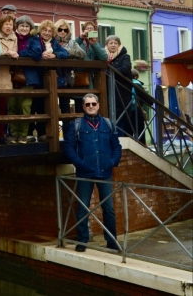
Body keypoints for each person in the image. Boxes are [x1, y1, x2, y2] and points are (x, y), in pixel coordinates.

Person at [62, 93, 122, 252]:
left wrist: (112, 162)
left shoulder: (108, 124)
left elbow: (116, 147)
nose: (91, 106)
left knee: (108, 208)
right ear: (83, 107)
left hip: (105, 172)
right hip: (85, 173)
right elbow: (68, 147)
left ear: (98, 105)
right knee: (83, 207)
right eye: (87, 104)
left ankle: (111, 240)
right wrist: (80, 163)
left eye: (93, 104)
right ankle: (82, 241)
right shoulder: (77, 125)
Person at [20, 19, 69, 142]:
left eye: (49, 31)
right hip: (35, 76)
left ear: (53, 33)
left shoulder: (54, 43)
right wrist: (40, 54)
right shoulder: (34, 39)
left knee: (44, 106)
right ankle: (30, 132)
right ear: (40, 31)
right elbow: (27, 52)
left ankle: (42, 133)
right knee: (33, 105)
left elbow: (66, 53)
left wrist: (55, 55)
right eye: (44, 30)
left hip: (48, 79)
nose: (47, 33)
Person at [0, 15, 18, 145]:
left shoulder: (14, 38)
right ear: (1, 25)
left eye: (10, 24)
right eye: (6, 24)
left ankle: (0, 134)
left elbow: (15, 52)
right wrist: (9, 53)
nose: (8, 26)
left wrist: (11, 53)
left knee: (2, 108)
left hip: (6, 76)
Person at [9, 15, 36, 144]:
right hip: (12, 76)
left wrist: (20, 54)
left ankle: (23, 135)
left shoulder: (34, 39)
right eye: (22, 26)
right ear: (17, 27)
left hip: (28, 77)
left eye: (27, 26)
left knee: (25, 106)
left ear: (30, 28)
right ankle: (14, 134)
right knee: (12, 106)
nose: (24, 28)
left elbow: (36, 53)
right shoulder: (13, 37)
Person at [106, 35, 135, 138]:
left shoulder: (125, 56)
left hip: (122, 92)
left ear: (119, 45)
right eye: (111, 43)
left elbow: (125, 69)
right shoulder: (104, 57)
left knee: (121, 118)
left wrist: (109, 69)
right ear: (107, 45)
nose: (113, 45)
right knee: (109, 117)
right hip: (108, 91)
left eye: (115, 43)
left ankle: (121, 140)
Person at [54, 19, 86, 114]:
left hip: (66, 78)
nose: (63, 32)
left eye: (65, 30)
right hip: (53, 76)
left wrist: (67, 51)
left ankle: (68, 129)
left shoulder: (72, 43)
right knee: (50, 106)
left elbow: (82, 54)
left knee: (65, 106)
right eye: (60, 29)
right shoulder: (51, 41)